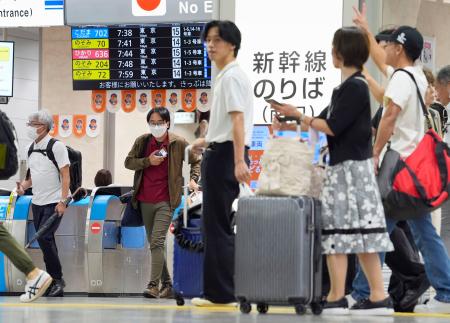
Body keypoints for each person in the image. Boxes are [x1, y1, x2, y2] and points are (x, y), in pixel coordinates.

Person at [272, 26, 393, 315]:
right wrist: (289, 124)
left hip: (349, 172)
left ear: (341, 52)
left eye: (333, 47)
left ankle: (347, 295)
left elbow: (331, 126)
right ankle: (361, 296)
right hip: (350, 171)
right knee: (355, 234)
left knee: (346, 234)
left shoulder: (354, 88)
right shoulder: (347, 87)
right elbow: (323, 120)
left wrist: (297, 115)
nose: (330, 52)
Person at [353, 5, 450, 313]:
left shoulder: (401, 80)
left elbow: (389, 116)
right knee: (422, 230)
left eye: (391, 44)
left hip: (399, 167)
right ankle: (445, 290)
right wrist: (367, 29)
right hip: (415, 168)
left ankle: (365, 291)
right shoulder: (416, 76)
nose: (386, 48)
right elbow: (382, 64)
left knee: (378, 226)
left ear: (400, 48)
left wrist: (375, 152)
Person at [191, 20, 254, 307]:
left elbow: (238, 120)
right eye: (208, 40)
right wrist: (203, 142)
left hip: (226, 156)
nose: (211, 45)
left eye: (217, 40)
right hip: (221, 150)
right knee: (215, 225)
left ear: (233, 44)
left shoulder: (230, 77)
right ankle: (218, 292)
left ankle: (220, 294)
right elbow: (227, 125)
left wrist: (238, 160)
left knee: (216, 227)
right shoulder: (226, 76)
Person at [125, 107, 200, 299]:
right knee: (154, 244)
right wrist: (147, 161)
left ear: (167, 123)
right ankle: (168, 285)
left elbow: (196, 159)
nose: (156, 126)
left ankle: (153, 285)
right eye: (153, 123)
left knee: (157, 241)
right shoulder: (143, 141)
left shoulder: (178, 142)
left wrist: (193, 179)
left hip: (167, 201)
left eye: (160, 123)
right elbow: (129, 162)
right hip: (143, 200)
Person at [16, 110, 70, 297]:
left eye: (34, 123)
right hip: (37, 201)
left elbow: (65, 174)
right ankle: (53, 281)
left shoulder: (57, 146)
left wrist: (63, 200)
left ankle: (57, 279)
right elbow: (31, 176)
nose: (30, 126)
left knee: (44, 237)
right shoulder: (30, 147)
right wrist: (22, 187)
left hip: (55, 200)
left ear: (44, 126)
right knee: (44, 240)